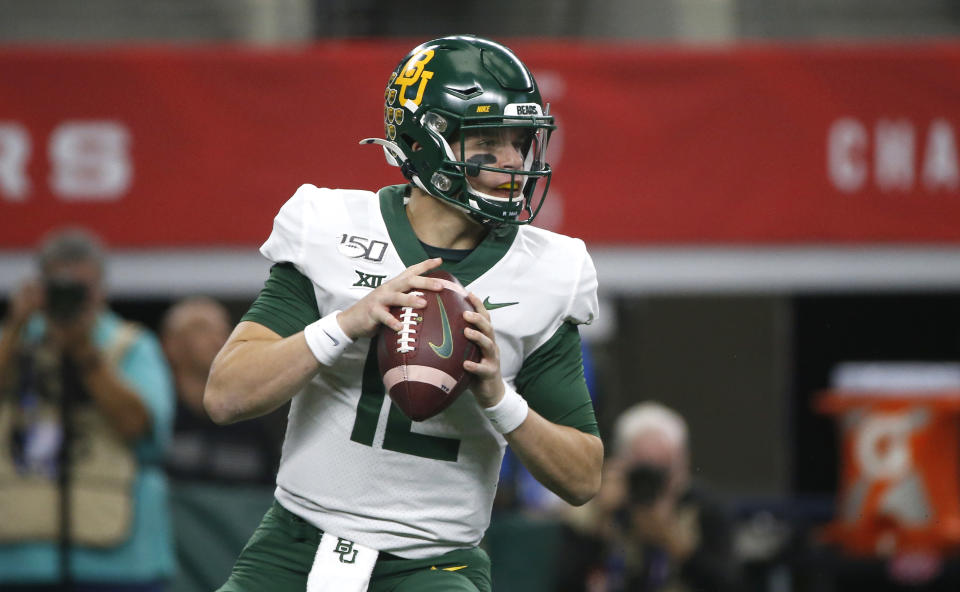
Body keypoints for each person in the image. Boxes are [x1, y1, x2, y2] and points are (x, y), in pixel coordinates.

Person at [203, 34, 603, 592]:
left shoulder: (549, 271)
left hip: (433, 566)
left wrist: (499, 400)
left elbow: (583, 475)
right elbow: (225, 395)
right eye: (488, 141)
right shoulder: (331, 227)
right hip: (293, 545)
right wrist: (346, 323)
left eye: (520, 142)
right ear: (425, 141)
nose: (514, 163)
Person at [0, 228, 176, 591]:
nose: (73, 298)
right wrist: (16, 324)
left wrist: (83, 351)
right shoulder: (13, 341)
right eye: (61, 287)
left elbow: (141, 429)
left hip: (117, 563)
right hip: (18, 558)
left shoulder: (132, 345)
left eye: (83, 287)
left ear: (102, 289)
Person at [571, 402, 740, 592]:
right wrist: (600, 519)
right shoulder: (605, 509)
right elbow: (562, 580)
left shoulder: (704, 510)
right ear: (622, 465)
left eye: (663, 470)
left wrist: (675, 543)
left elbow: (729, 583)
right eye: (643, 471)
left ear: (683, 465)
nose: (652, 485)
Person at [161, 296, 282, 485]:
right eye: (201, 328)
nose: (218, 340)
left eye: (224, 331)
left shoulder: (249, 422)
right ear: (171, 344)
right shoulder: (157, 416)